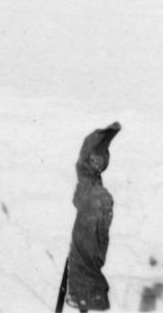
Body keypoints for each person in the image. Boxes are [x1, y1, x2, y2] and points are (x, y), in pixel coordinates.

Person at [66, 122, 121, 311]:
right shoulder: (91, 187)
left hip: (95, 206)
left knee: (85, 260)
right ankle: (86, 299)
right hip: (95, 203)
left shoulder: (95, 194)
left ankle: (86, 299)